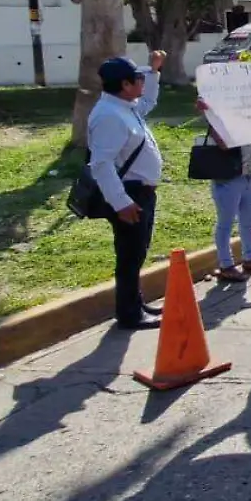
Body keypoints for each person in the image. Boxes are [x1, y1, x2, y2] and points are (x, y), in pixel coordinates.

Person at [87, 51, 168, 331]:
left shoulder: (125, 106)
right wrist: (121, 203)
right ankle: (129, 314)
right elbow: (101, 164)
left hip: (141, 192)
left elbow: (148, 102)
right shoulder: (109, 116)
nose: (142, 82)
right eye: (138, 79)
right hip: (129, 194)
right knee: (129, 254)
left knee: (137, 252)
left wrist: (155, 72)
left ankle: (135, 303)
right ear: (124, 85)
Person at [206, 127, 251, 282]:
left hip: (250, 173)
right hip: (228, 176)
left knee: (248, 221)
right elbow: (222, 143)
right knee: (225, 223)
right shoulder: (221, 117)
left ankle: (249, 259)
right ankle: (226, 265)